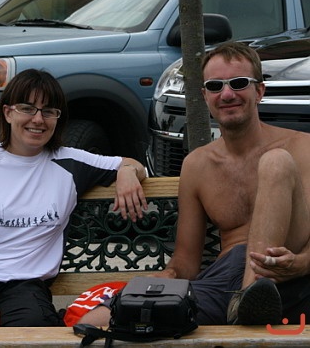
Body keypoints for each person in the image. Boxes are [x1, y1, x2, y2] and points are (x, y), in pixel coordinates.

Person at [80, 41, 310, 327]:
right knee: (95, 321)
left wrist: (302, 264)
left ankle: (251, 296)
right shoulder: (197, 165)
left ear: (259, 91)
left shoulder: (303, 148)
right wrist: (162, 279)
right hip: (225, 283)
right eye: (215, 86)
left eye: (239, 83)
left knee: (276, 162)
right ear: (205, 96)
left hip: (294, 275)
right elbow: (185, 263)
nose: (227, 94)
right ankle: (246, 303)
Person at [0, 69, 148, 327]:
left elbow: (132, 164)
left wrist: (127, 172)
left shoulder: (71, 163)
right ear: (8, 113)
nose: (38, 119)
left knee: (32, 330)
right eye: (27, 108)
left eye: (48, 111)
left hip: (24, 285)